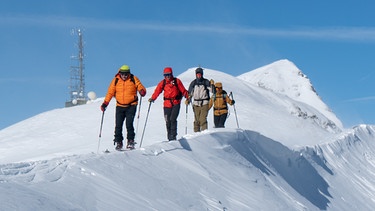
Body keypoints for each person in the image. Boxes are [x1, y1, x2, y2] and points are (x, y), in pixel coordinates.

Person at [100, 64, 146, 150]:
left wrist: (141, 91)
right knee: (118, 125)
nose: (124, 76)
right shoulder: (116, 80)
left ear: (129, 73)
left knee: (129, 123)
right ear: (119, 73)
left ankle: (130, 141)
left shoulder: (133, 78)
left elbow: (140, 86)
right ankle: (119, 142)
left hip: (131, 105)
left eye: (126, 74)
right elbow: (110, 93)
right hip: (120, 106)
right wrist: (105, 103)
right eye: (123, 74)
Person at [149, 67, 189, 141]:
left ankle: (173, 136)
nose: (167, 76)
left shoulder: (177, 81)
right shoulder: (163, 83)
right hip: (167, 104)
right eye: (165, 75)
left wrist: (188, 96)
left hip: (176, 103)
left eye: (168, 75)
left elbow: (183, 90)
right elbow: (157, 91)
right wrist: (153, 98)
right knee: (167, 121)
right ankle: (169, 137)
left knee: (173, 119)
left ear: (171, 74)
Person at [186, 67, 214, 132]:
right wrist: (188, 99)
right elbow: (190, 93)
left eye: (200, 74)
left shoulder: (206, 82)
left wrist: (212, 85)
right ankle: (196, 135)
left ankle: (204, 134)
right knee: (196, 120)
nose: (199, 75)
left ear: (202, 74)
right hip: (196, 104)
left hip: (205, 103)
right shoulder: (193, 83)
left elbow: (212, 91)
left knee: (203, 119)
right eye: (197, 74)